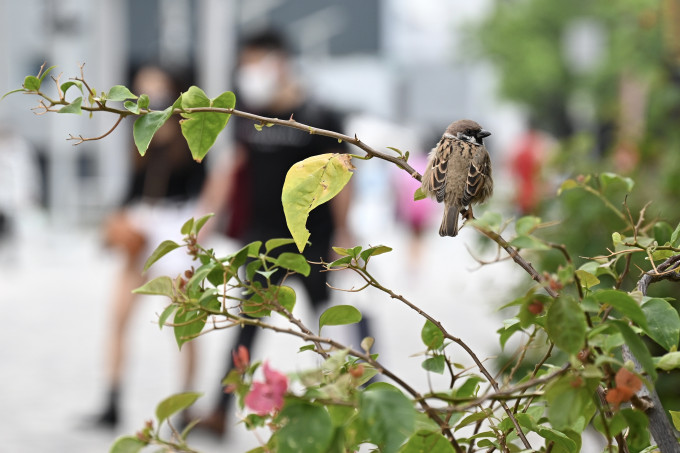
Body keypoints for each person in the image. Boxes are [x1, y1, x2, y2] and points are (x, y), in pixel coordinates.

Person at [194, 29, 353, 435]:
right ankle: (218, 410)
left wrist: (344, 233)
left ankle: (346, 406)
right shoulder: (250, 116)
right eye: (243, 64)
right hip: (262, 241)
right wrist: (205, 221)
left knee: (328, 326)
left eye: (254, 62)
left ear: (279, 62)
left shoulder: (320, 115)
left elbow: (342, 178)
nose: (247, 72)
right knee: (248, 326)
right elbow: (232, 168)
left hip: (314, 239)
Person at [94, 65, 206, 427]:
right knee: (119, 315)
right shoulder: (136, 126)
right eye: (144, 84)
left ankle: (187, 404)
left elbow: (203, 180)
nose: (149, 90)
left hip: (176, 224)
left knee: (185, 321)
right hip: (142, 220)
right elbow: (132, 186)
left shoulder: (191, 129)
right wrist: (116, 220)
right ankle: (111, 400)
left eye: (156, 84)